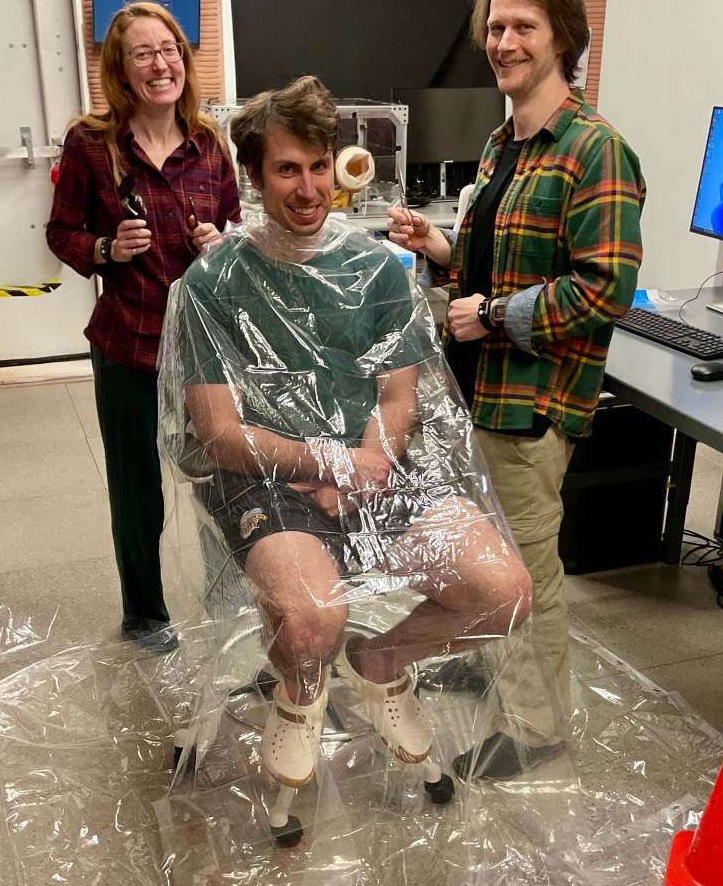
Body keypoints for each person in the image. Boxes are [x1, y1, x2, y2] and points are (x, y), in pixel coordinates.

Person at [159, 75, 535, 790]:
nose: (307, 188)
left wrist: (370, 460)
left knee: (506, 591)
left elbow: (400, 395)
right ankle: (299, 693)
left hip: (375, 463)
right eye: (287, 169)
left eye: (319, 166)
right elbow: (215, 431)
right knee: (309, 620)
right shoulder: (212, 284)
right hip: (267, 475)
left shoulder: (373, 269)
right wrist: (328, 462)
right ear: (255, 176)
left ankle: (382, 662)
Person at [388, 0, 646, 780]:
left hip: (533, 407)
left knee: (530, 570)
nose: (503, 42)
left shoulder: (596, 151)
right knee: (489, 554)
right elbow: (501, 258)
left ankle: (538, 730)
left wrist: (494, 314)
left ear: (562, 36)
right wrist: (439, 249)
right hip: (481, 395)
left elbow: (604, 289)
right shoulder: (505, 142)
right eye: (495, 27)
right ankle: (491, 657)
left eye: (522, 26)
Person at [47, 0, 241, 652]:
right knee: (138, 491)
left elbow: (239, 232)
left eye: (169, 50)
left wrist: (221, 238)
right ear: (121, 70)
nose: (161, 64)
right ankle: (144, 612)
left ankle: (232, 597)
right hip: (128, 344)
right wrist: (106, 250)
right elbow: (61, 232)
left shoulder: (210, 145)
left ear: (183, 59)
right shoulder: (91, 145)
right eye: (143, 53)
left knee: (224, 479)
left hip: (203, 348)